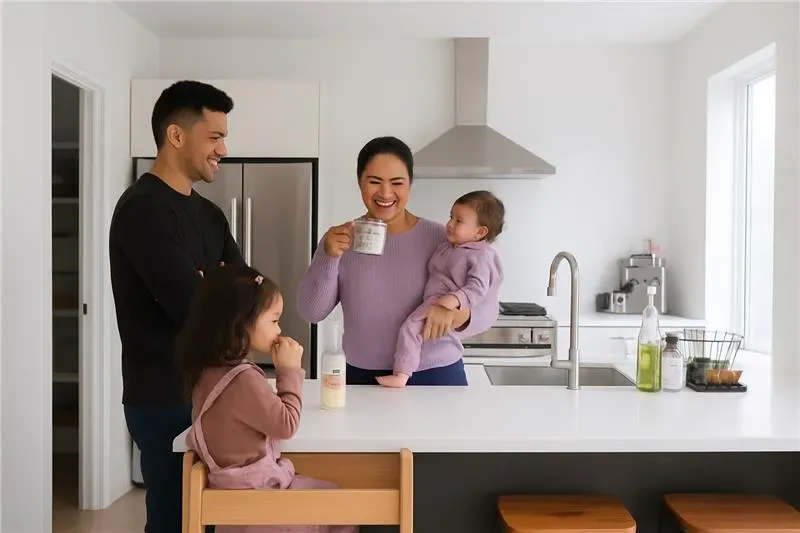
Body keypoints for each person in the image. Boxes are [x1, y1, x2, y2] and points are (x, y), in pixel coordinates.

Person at [109, 80, 243, 533]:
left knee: (209, 520)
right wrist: (212, 293)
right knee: (173, 521)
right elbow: (192, 308)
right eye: (215, 136)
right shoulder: (142, 209)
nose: (224, 148)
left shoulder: (209, 214)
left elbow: (251, 293)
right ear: (176, 135)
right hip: (163, 397)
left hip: (212, 393)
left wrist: (214, 289)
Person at [297, 136, 499, 386]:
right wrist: (328, 257)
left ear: (410, 184)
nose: (385, 193)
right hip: (362, 375)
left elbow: (489, 309)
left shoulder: (445, 240)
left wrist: (459, 315)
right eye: (374, 181)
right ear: (359, 182)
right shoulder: (340, 240)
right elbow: (312, 312)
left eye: (397, 183)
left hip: (436, 373)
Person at [176, 265, 357, 533]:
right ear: (242, 322)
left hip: (234, 507)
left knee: (331, 494)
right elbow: (286, 424)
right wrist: (289, 371)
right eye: (274, 321)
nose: (279, 329)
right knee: (346, 509)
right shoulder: (243, 379)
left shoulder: (209, 372)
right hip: (261, 507)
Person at [376, 190, 505, 388]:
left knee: (410, 328)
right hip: (435, 302)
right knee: (415, 331)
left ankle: (401, 374)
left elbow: (478, 288)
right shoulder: (449, 246)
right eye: (451, 217)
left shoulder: (482, 257)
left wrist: (455, 300)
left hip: (442, 304)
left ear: (480, 232)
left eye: (458, 221)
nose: (450, 224)